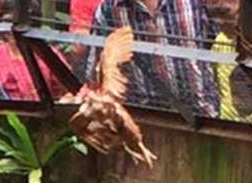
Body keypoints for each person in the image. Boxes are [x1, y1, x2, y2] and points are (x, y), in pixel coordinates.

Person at [89, 0, 220, 116]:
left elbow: (224, 48)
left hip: (203, 116)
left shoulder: (195, 3)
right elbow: (96, 74)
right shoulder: (108, 10)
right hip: (145, 119)